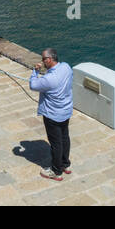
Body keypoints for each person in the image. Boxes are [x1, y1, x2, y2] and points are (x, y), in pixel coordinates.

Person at [29, 48, 73, 180]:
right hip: (65, 110)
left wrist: (36, 71)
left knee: (56, 143)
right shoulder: (66, 67)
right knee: (65, 137)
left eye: (43, 59)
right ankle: (65, 164)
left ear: (49, 59)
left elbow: (33, 85)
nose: (42, 61)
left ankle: (56, 170)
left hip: (52, 114)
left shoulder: (49, 79)